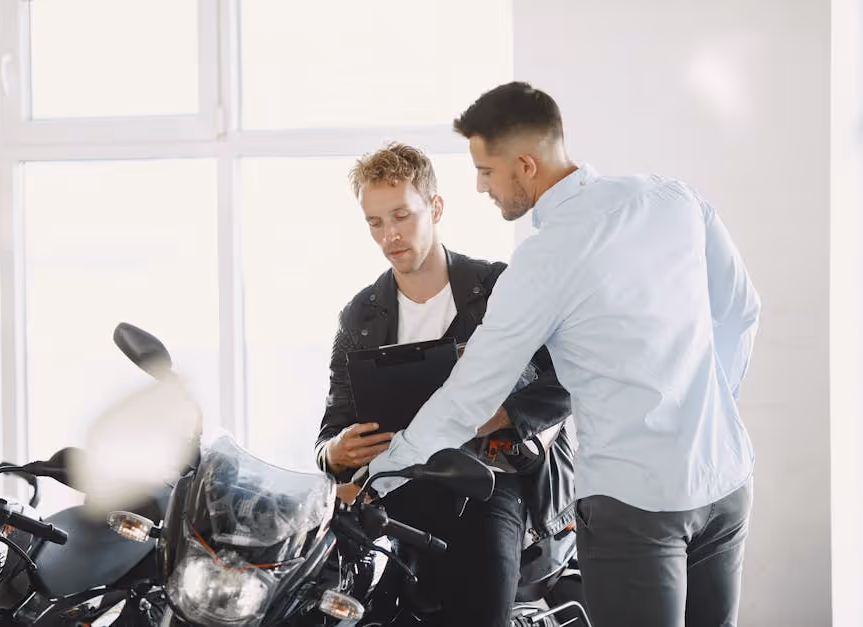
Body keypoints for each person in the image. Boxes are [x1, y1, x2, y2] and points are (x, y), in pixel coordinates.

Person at [367, 83, 761, 627]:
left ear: (525, 166)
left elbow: (469, 395)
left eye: (486, 171)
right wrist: (715, 405)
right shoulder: (672, 198)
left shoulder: (546, 259)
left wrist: (382, 473)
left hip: (636, 506)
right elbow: (741, 311)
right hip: (726, 481)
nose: (480, 187)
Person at [314, 142, 576, 627]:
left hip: (491, 484)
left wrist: (504, 415)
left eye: (402, 216)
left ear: (435, 208)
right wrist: (335, 452)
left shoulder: (498, 288)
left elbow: (570, 376)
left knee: (480, 601)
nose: (390, 235)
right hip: (397, 485)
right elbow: (332, 430)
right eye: (375, 222)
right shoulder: (359, 317)